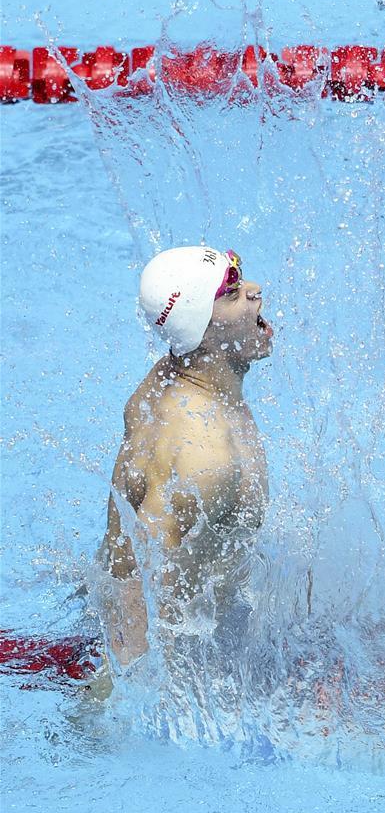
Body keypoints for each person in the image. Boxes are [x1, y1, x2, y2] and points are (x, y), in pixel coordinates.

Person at [95, 245, 273, 676]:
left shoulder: (179, 377)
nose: (254, 291)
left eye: (240, 276)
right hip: (172, 660)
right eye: (231, 293)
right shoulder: (203, 454)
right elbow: (141, 585)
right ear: (202, 331)